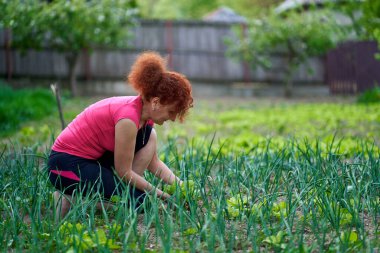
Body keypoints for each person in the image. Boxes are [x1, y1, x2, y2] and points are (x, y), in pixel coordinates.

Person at [47, 51, 193, 219]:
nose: (173, 118)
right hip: (65, 165)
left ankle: (109, 196)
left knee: (150, 137)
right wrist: (162, 195)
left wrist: (181, 186)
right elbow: (123, 171)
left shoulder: (144, 119)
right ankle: (71, 197)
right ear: (155, 102)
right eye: (172, 111)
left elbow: (154, 162)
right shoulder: (128, 119)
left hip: (92, 161)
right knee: (140, 203)